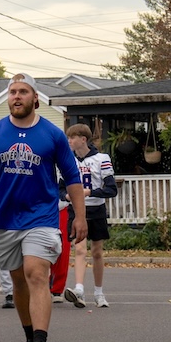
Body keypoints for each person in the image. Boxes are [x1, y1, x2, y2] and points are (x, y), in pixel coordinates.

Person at [0, 73, 87, 342]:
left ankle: (41, 341)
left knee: (35, 272)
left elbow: (72, 177)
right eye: (12, 92)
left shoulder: (53, 134)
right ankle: (29, 336)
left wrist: (80, 216)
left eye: (23, 92)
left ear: (35, 98)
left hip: (42, 216)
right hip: (6, 219)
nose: (16, 96)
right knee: (18, 281)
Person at [62, 123, 117, 308]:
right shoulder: (68, 160)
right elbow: (60, 188)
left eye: (72, 137)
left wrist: (89, 193)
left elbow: (111, 189)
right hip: (76, 210)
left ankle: (99, 292)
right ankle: (79, 290)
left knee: (97, 252)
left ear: (83, 139)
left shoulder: (102, 159)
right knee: (79, 249)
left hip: (96, 209)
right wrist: (67, 196)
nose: (69, 141)